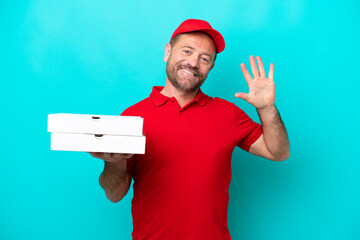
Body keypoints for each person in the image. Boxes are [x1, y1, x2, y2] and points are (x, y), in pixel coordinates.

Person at [90, 19, 290, 240]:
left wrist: (267, 108)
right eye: (187, 51)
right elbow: (115, 194)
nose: (193, 63)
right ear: (168, 51)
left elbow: (278, 152)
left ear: (210, 68)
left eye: (204, 59)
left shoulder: (228, 114)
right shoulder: (133, 117)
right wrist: (114, 161)